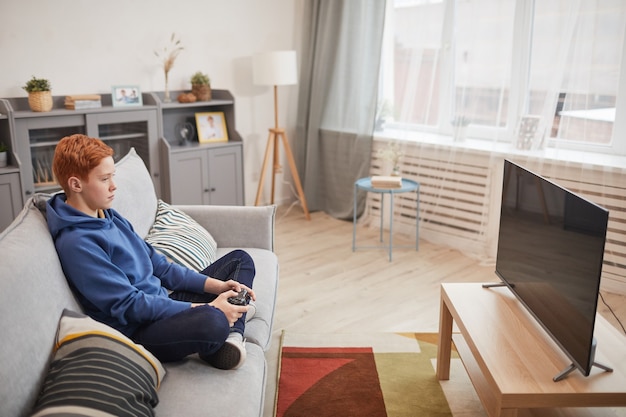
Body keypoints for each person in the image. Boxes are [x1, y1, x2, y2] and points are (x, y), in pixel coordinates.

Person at [46, 134, 255, 370]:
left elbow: (161, 267)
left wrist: (219, 286)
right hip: (141, 329)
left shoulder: (108, 215)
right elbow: (130, 305)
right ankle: (229, 325)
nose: (114, 186)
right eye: (104, 179)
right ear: (76, 184)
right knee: (212, 320)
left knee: (240, 260)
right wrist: (210, 308)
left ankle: (231, 335)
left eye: (112, 176)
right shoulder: (76, 243)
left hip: (162, 302)